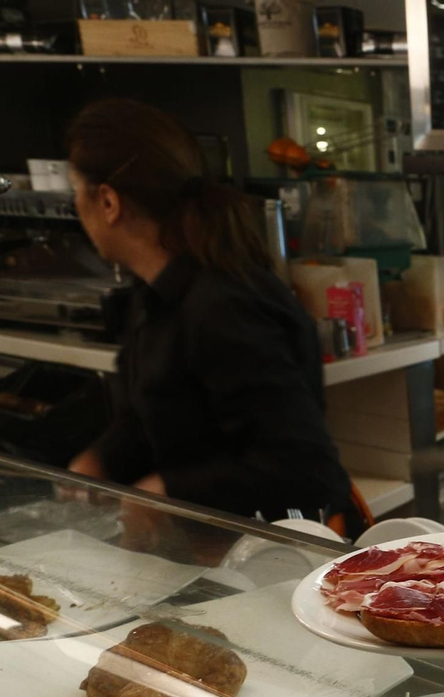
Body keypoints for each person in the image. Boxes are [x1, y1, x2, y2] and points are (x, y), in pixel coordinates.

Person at [64, 99, 359, 532]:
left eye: (76, 190)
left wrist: (168, 492)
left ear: (108, 202)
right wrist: (100, 460)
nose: (75, 205)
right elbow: (154, 414)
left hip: (279, 550)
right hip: (202, 547)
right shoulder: (152, 296)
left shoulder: (225, 307)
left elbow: (301, 469)